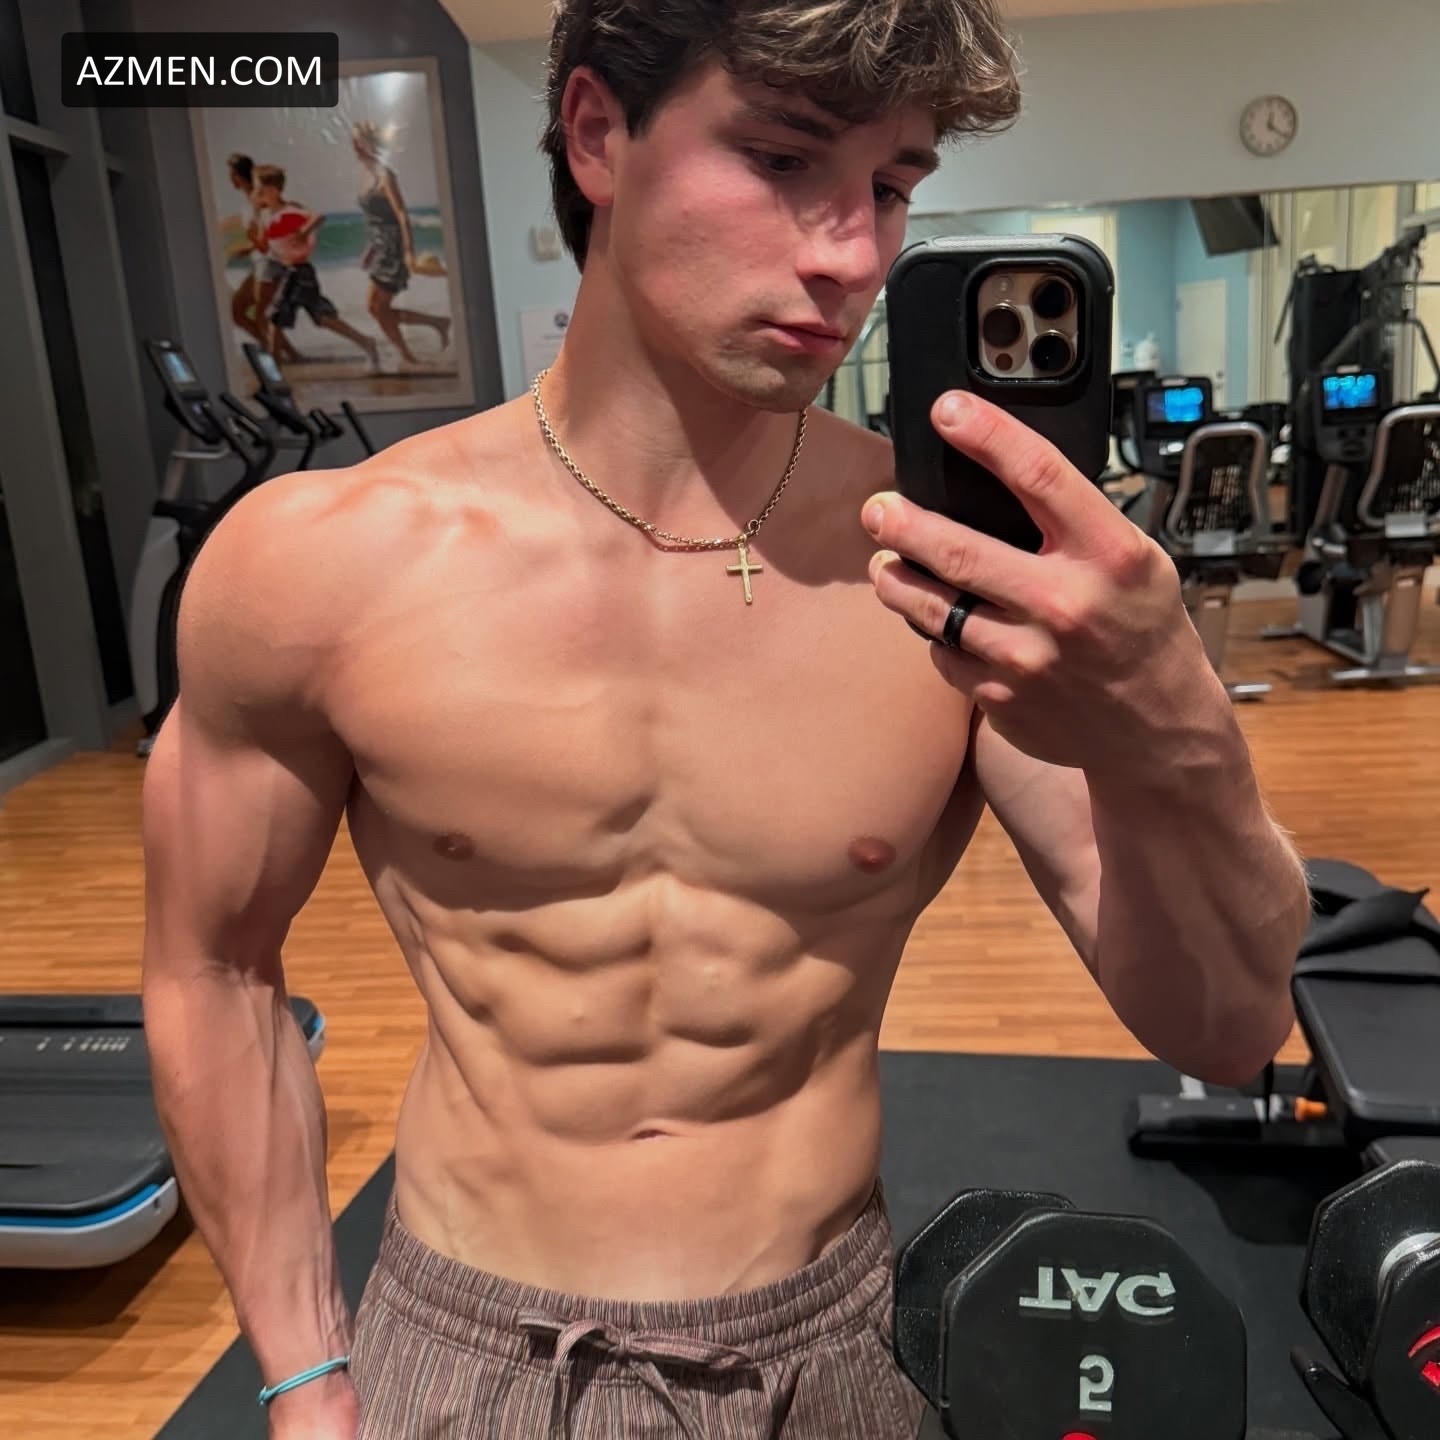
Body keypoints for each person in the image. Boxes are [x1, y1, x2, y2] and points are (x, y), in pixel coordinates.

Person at [140, 3, 1313, 1438]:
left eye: (893, 184)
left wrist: (1170, 716)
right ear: (596, 134)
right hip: (464, 1350)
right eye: (781, 159)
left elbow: (1228, 1026)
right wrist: (303, 1379)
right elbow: (213, 970)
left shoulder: (946, 568)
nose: (853, 254)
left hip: (829, 1350)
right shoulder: (321, 562)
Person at [248, 163, 380, 372]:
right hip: (291, 271)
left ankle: (273, 374)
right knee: (322, 318)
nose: (255, 193)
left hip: (299, 271)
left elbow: (318, 217)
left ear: (273, 190)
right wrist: (256, 222)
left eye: (259, 189)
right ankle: (366, 342)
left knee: (275, 317)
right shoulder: (266, 215)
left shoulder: (289, 210)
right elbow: (265, 246)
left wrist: (303, 232)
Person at [352, 120, 452, 368]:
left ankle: (409, 353)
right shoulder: (365, 174)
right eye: (353, 143)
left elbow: (401, 214)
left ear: (369, 144)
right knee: (375, 308)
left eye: (358, 142)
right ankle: (436, 324)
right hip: (380, 247)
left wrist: (408, 251)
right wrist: (370, 248)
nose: (355, 147)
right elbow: (374, 219)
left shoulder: (385, 175)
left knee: (377, 306)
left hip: (392, 248)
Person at [225, 152, 301, 365]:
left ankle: (278, 354)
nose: (229, 179)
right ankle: (283, 352)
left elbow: (270, 230)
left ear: (237, 176)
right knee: (239, 311)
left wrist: (248, 247)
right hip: (261, 263)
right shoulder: (250, 200)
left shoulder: (259, 199)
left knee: (257, 314)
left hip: (269, 263)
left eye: (231, 174)